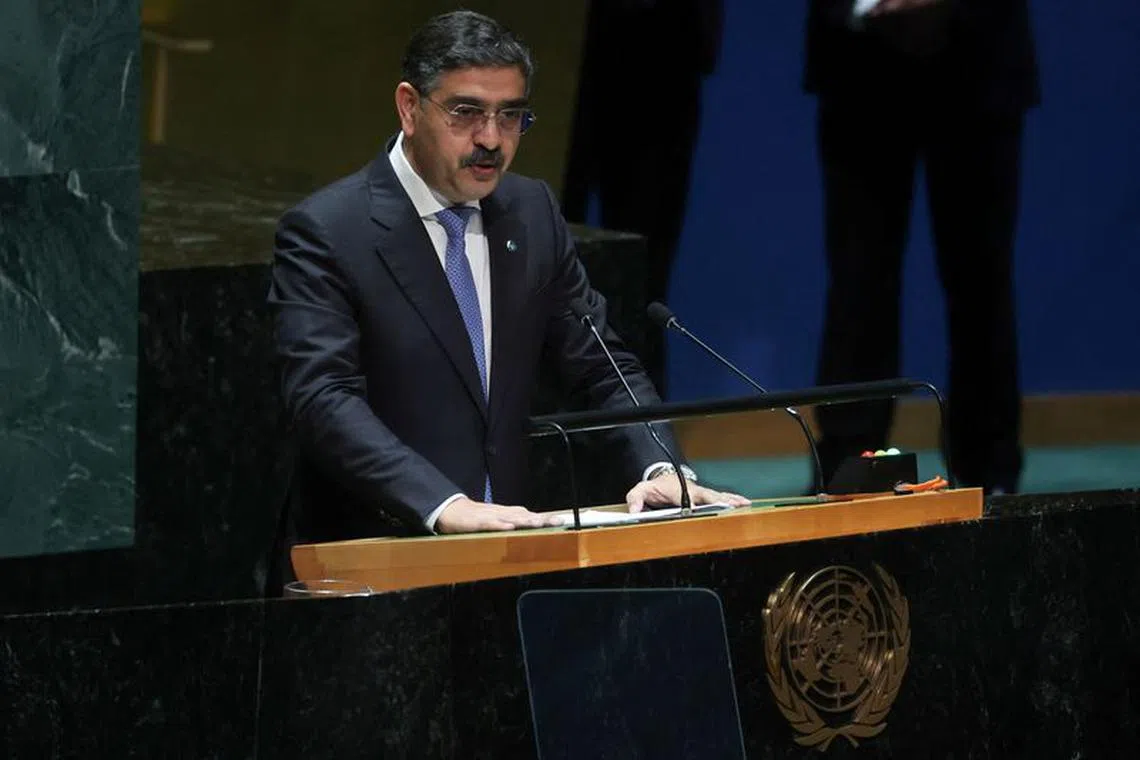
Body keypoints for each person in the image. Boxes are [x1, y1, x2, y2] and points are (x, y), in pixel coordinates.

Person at [268, 10, 746, 545]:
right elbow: (323, 399)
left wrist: (660, 467)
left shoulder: (531, 211)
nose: (491, 139)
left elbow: (602, 368)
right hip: (373, 557)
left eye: (511, 115)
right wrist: (441, 503)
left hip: (507, 551)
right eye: (466, 112)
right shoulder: (330, 231)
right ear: (409, 107)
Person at [805, 0, 1039, 493]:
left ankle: (987, 474)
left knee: (982, 279)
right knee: (857, 281)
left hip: (979, 60)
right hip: (856, 64)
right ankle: (848, 471)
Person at [561, 0, 723, 390]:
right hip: (554, 41)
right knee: (532, 257)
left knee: (645, 276)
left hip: (662, 46)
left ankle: (644, 435)